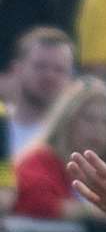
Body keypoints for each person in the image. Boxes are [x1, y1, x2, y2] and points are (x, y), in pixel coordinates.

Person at [10, 78, 106, 232]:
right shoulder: (38, 160)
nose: (98, 129)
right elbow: (36, 202)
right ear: (67, 120)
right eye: (89, 119)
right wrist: (94, 212)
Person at [5, 26, 77, 155]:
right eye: (40, 66)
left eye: (59, 69)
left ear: (71, 79)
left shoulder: (76, 136)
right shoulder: (2, 124)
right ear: (17, 70)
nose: (49, 76)